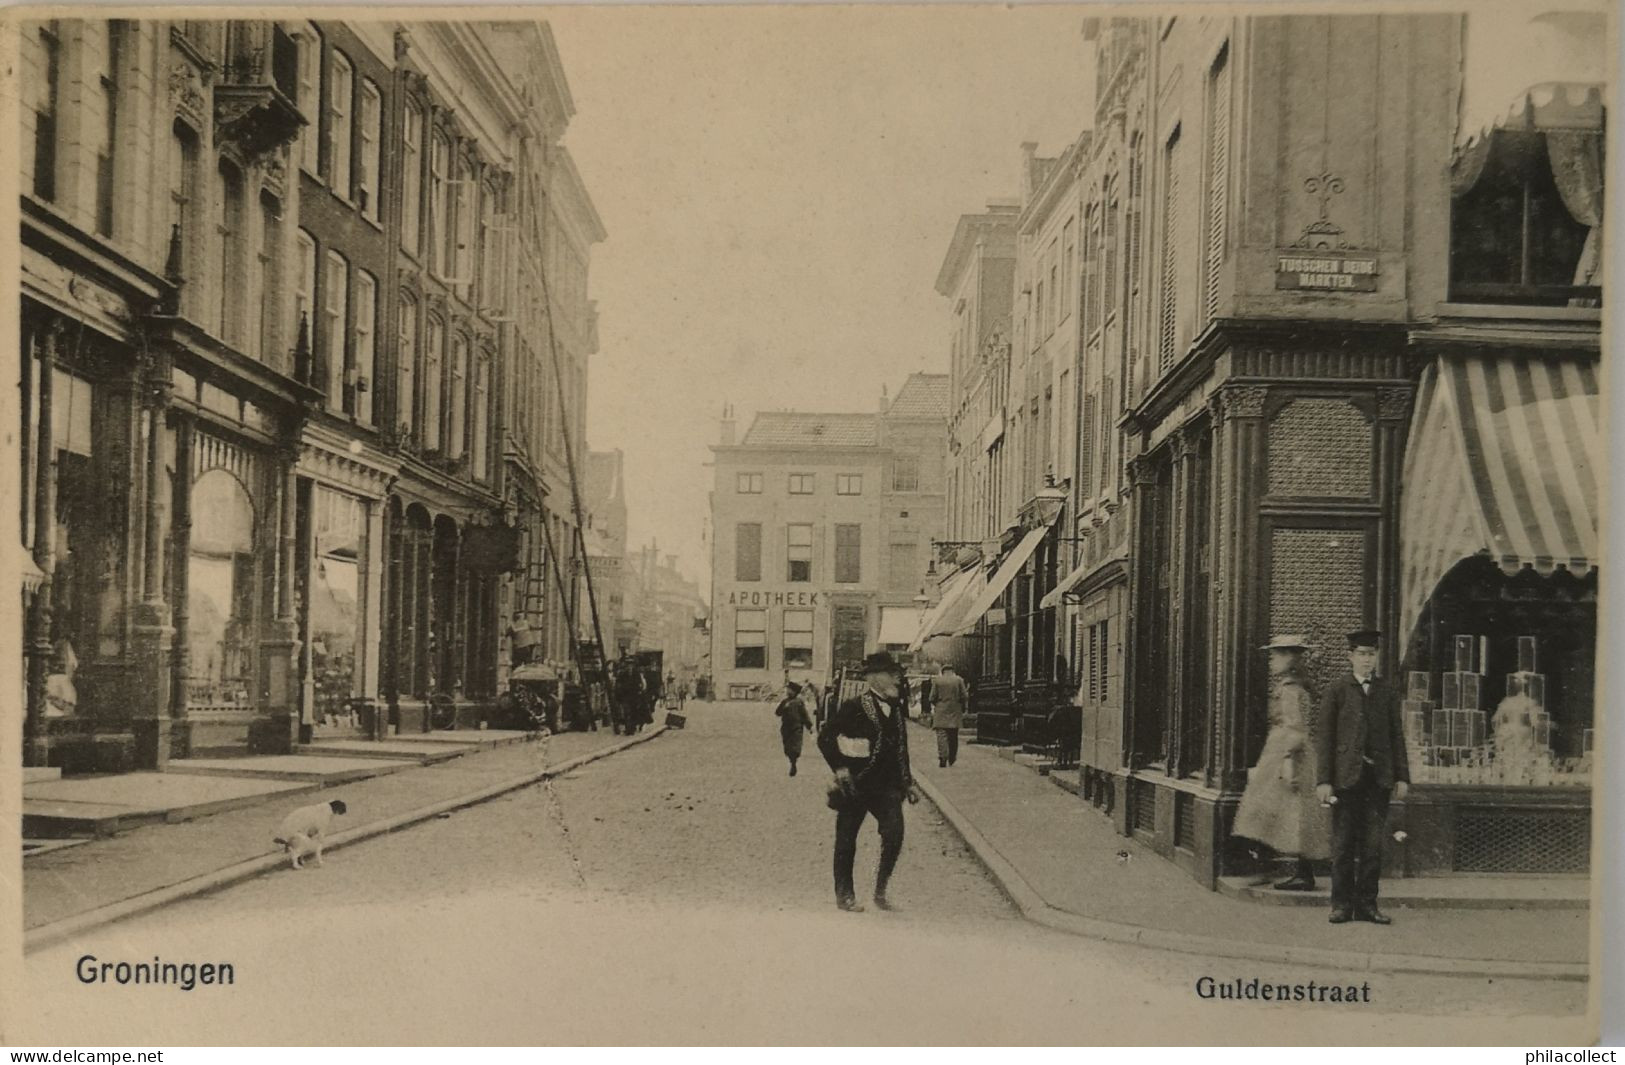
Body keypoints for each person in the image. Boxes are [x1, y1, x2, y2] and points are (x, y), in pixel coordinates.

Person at [1315, 629, 1409, 925]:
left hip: (1377, 780)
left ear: (1377, 657)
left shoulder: (1387, 691)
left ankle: (1367, 906)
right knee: (1342, 846)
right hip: (1345, 780)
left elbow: (1397, 736)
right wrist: (1323, 780)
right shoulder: (1337, 690)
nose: (1367, 660)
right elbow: (1325, 739)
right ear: (1350, 657)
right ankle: (1341, 905)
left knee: (1372, 847)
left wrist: (1402, 777)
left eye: (1372, 654)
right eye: (1361, 654)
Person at [817, 651, 920, 912]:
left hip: (887, 787)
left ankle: (881, 891)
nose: (898, 679)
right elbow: (825, 737)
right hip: (856, 785)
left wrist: (908, 783)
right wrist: (840, 769)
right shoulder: (854, 706)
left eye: (897, 674)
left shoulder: (896, 709)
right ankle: (845, 895)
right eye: (891, 674)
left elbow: (900, 749)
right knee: (846, 839)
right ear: (873, 678)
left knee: (894, 834)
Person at [1232, 635, 1330, 891]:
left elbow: (1296, 729)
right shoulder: (1293, 687)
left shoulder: (1290, 690)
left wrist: (1287, 761)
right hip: (1283, 753)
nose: (1273, 661)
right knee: (1283, 812)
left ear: (1290, 658)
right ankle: (1276, 867)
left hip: (1289, 755)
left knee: (1289, 813)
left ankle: (1295, 872)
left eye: (1277, 655)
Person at [929, 662, 968, 768]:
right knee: (953, 735)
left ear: (943, 671)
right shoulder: (959, 680)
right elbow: (964, 696)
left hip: (941, 710)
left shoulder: (937, 681)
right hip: (955, 710)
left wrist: (938, 704)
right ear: (952, 671)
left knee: (941, 735)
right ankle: (952, 757)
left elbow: (931, 697)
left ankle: (942, 757)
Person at [774, 681, 815, 776]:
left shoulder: (799, 702)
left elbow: (804, 715)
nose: (788, 691)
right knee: (787, 747)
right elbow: (777, 713)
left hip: (797, 728)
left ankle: (793, 763)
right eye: (787, 689)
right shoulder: (785, 701)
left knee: (795, 747)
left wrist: (809, 726)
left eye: (790, 690)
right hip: (785, 728)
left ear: (795, 692)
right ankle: (791, 760)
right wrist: (784, 707)